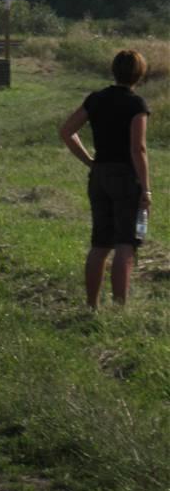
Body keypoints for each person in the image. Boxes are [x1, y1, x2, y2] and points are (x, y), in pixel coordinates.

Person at [60, 49, 151, 309]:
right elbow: (138, 149)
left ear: (114, 70)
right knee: (125, 244)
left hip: (99, 176)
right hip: (125, 177)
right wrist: (146, 189)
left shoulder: (96, 99)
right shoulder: (136, 105)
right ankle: (119, 308)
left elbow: (67, 131)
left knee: (100, 244)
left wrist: (90, 161)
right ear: (139, 74)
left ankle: (92, 305)